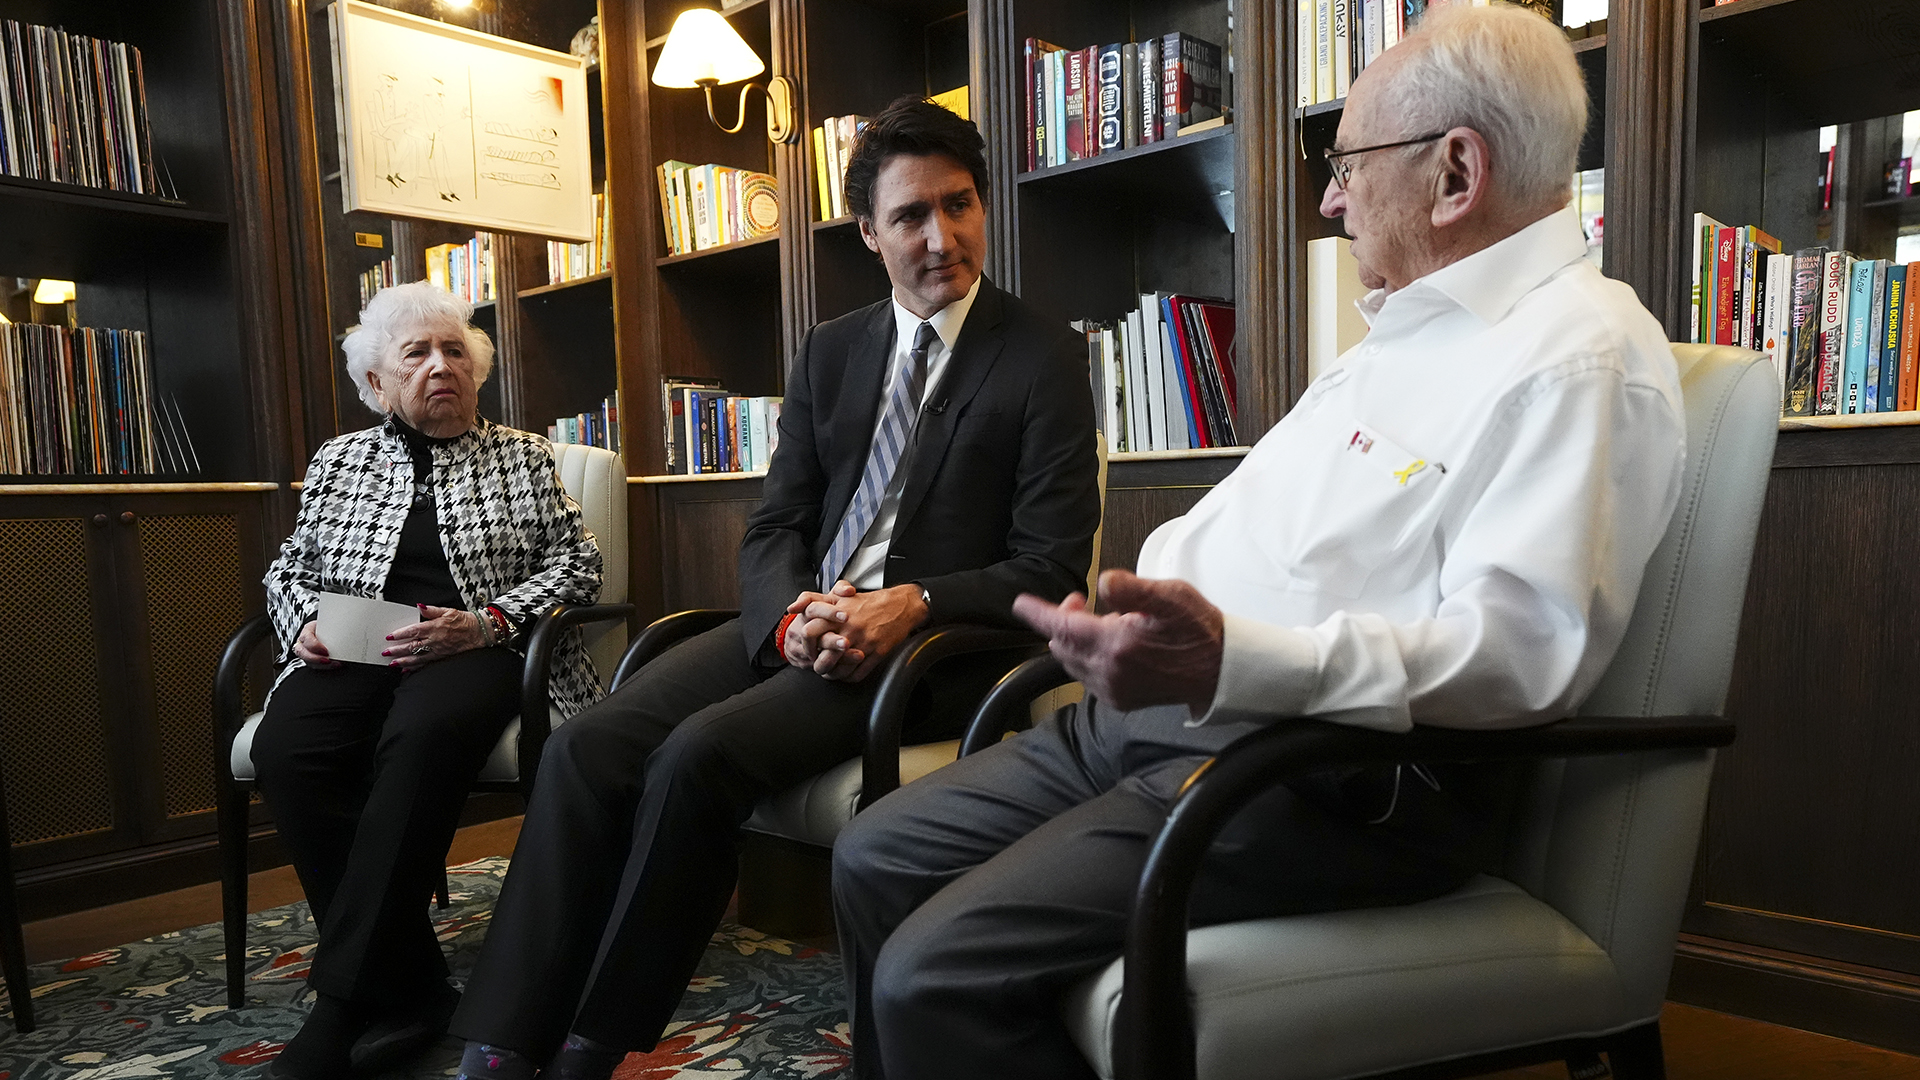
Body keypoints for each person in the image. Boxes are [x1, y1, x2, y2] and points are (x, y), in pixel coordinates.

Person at [830, 7, 1690, 1079]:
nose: (1329, 200)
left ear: (1456, 173)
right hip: (1173, 721)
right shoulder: (1393, 335)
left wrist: (1235, 658)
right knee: (874, 852)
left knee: (931, 972)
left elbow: (1519, 655)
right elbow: (1253, 524)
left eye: (1346, 166)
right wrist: (1138, 609)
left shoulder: (1580, 356)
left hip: (1321, 778)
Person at [448, 97, 1101, 1080]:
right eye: (912, 216)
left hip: (932, 648)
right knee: (586, 746)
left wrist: (907, 605)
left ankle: (597, 1039)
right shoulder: (834, 348)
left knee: (694, 758)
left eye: (959, 205)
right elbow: (775, 524)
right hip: (806, 620)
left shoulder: (1039, 354)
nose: (942, 236)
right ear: (869, 233)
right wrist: (792, 611)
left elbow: (1050, 562)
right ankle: (501, 1039)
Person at [254, 281, 603, 1079]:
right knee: (287, 750)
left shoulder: (521, 454)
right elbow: (289, 570)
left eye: (455, 351)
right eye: (416, 354)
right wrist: (302, 620)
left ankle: (344, 1004)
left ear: (477, 373)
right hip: (352, 649)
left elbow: (579, 564)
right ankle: (411, 985)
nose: (440, 365)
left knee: (421, 737)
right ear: (378, 383)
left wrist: (484, 622)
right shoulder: (339, 461)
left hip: (475, 650)